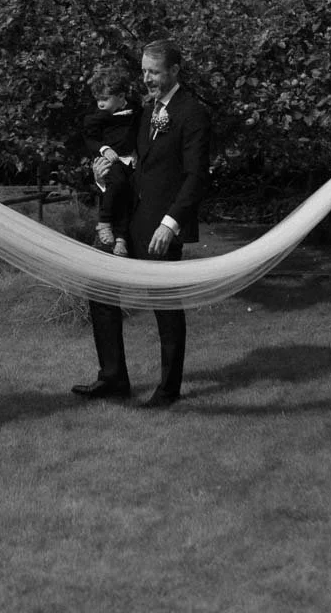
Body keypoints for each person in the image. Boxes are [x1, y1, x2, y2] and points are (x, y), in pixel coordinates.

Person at [72, 39, 212, 409]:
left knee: (164, 305)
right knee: (99, 288)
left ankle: (168, 390)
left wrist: (171, 224)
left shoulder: (192, 112)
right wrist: (104, 176)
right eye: (144, 71)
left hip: (161, 227)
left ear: (174, 71)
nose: (146, 78)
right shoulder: (146, 111)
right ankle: (113, 379)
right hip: (127, 220)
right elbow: (134, 166)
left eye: (154, 71)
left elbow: (195, 177)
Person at [82, 63, 142, 256]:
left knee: (126, 195)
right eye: (97, 99)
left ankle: (121, 239)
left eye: (105, 99)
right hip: (112, 160)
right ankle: (104, 223)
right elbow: (89, 138)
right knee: (116, 183)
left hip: (131, 164)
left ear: (121, 97)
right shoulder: (99, 117)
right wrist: (104, 149)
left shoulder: (137, 112)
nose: (100, 104)